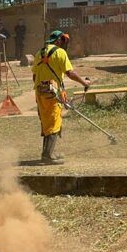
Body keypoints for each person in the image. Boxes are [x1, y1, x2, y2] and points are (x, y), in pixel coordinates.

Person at [32, 30, 90, 165]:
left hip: (40, 93)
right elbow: (70, 73)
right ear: (58, 40)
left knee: (46, 123)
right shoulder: (60, 53)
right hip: (53, 94)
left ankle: (46, 153)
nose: (64, 44)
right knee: (54, 123)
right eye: (63, 41)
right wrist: (84, 82)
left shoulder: (39, 53)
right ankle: (48, 156)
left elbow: (34, 76)